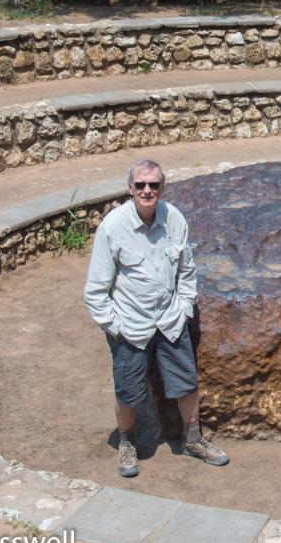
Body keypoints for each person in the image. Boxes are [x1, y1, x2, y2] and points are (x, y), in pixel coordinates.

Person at [84, 158, 229, 477]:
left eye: (153, 185)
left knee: (186, 383)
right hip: (131, 326)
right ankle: (127, 442)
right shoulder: (113, 227)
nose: (147, 190)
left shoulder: (174, 219)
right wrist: (116, 327)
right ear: (130, 188)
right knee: (128, 390)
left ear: (162, 187)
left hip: (169, 320)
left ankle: (194, 440)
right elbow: (95, 290)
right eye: (140, 185)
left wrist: (184, 307)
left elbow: (187, 271)